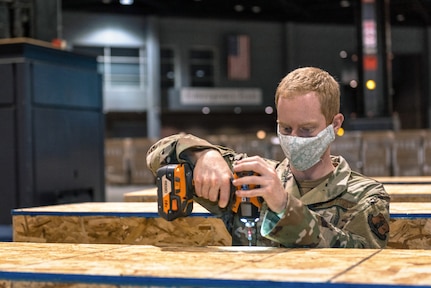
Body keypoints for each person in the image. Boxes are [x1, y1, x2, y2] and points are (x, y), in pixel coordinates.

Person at [146, 67, 390, 248]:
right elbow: (158, 154)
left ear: (335, 124)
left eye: (306, 130)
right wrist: (203, 154)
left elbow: (361, 259)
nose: (294, 138)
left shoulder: (365, 196)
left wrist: (284, 206)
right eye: (285, 129)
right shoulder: (252, 180)